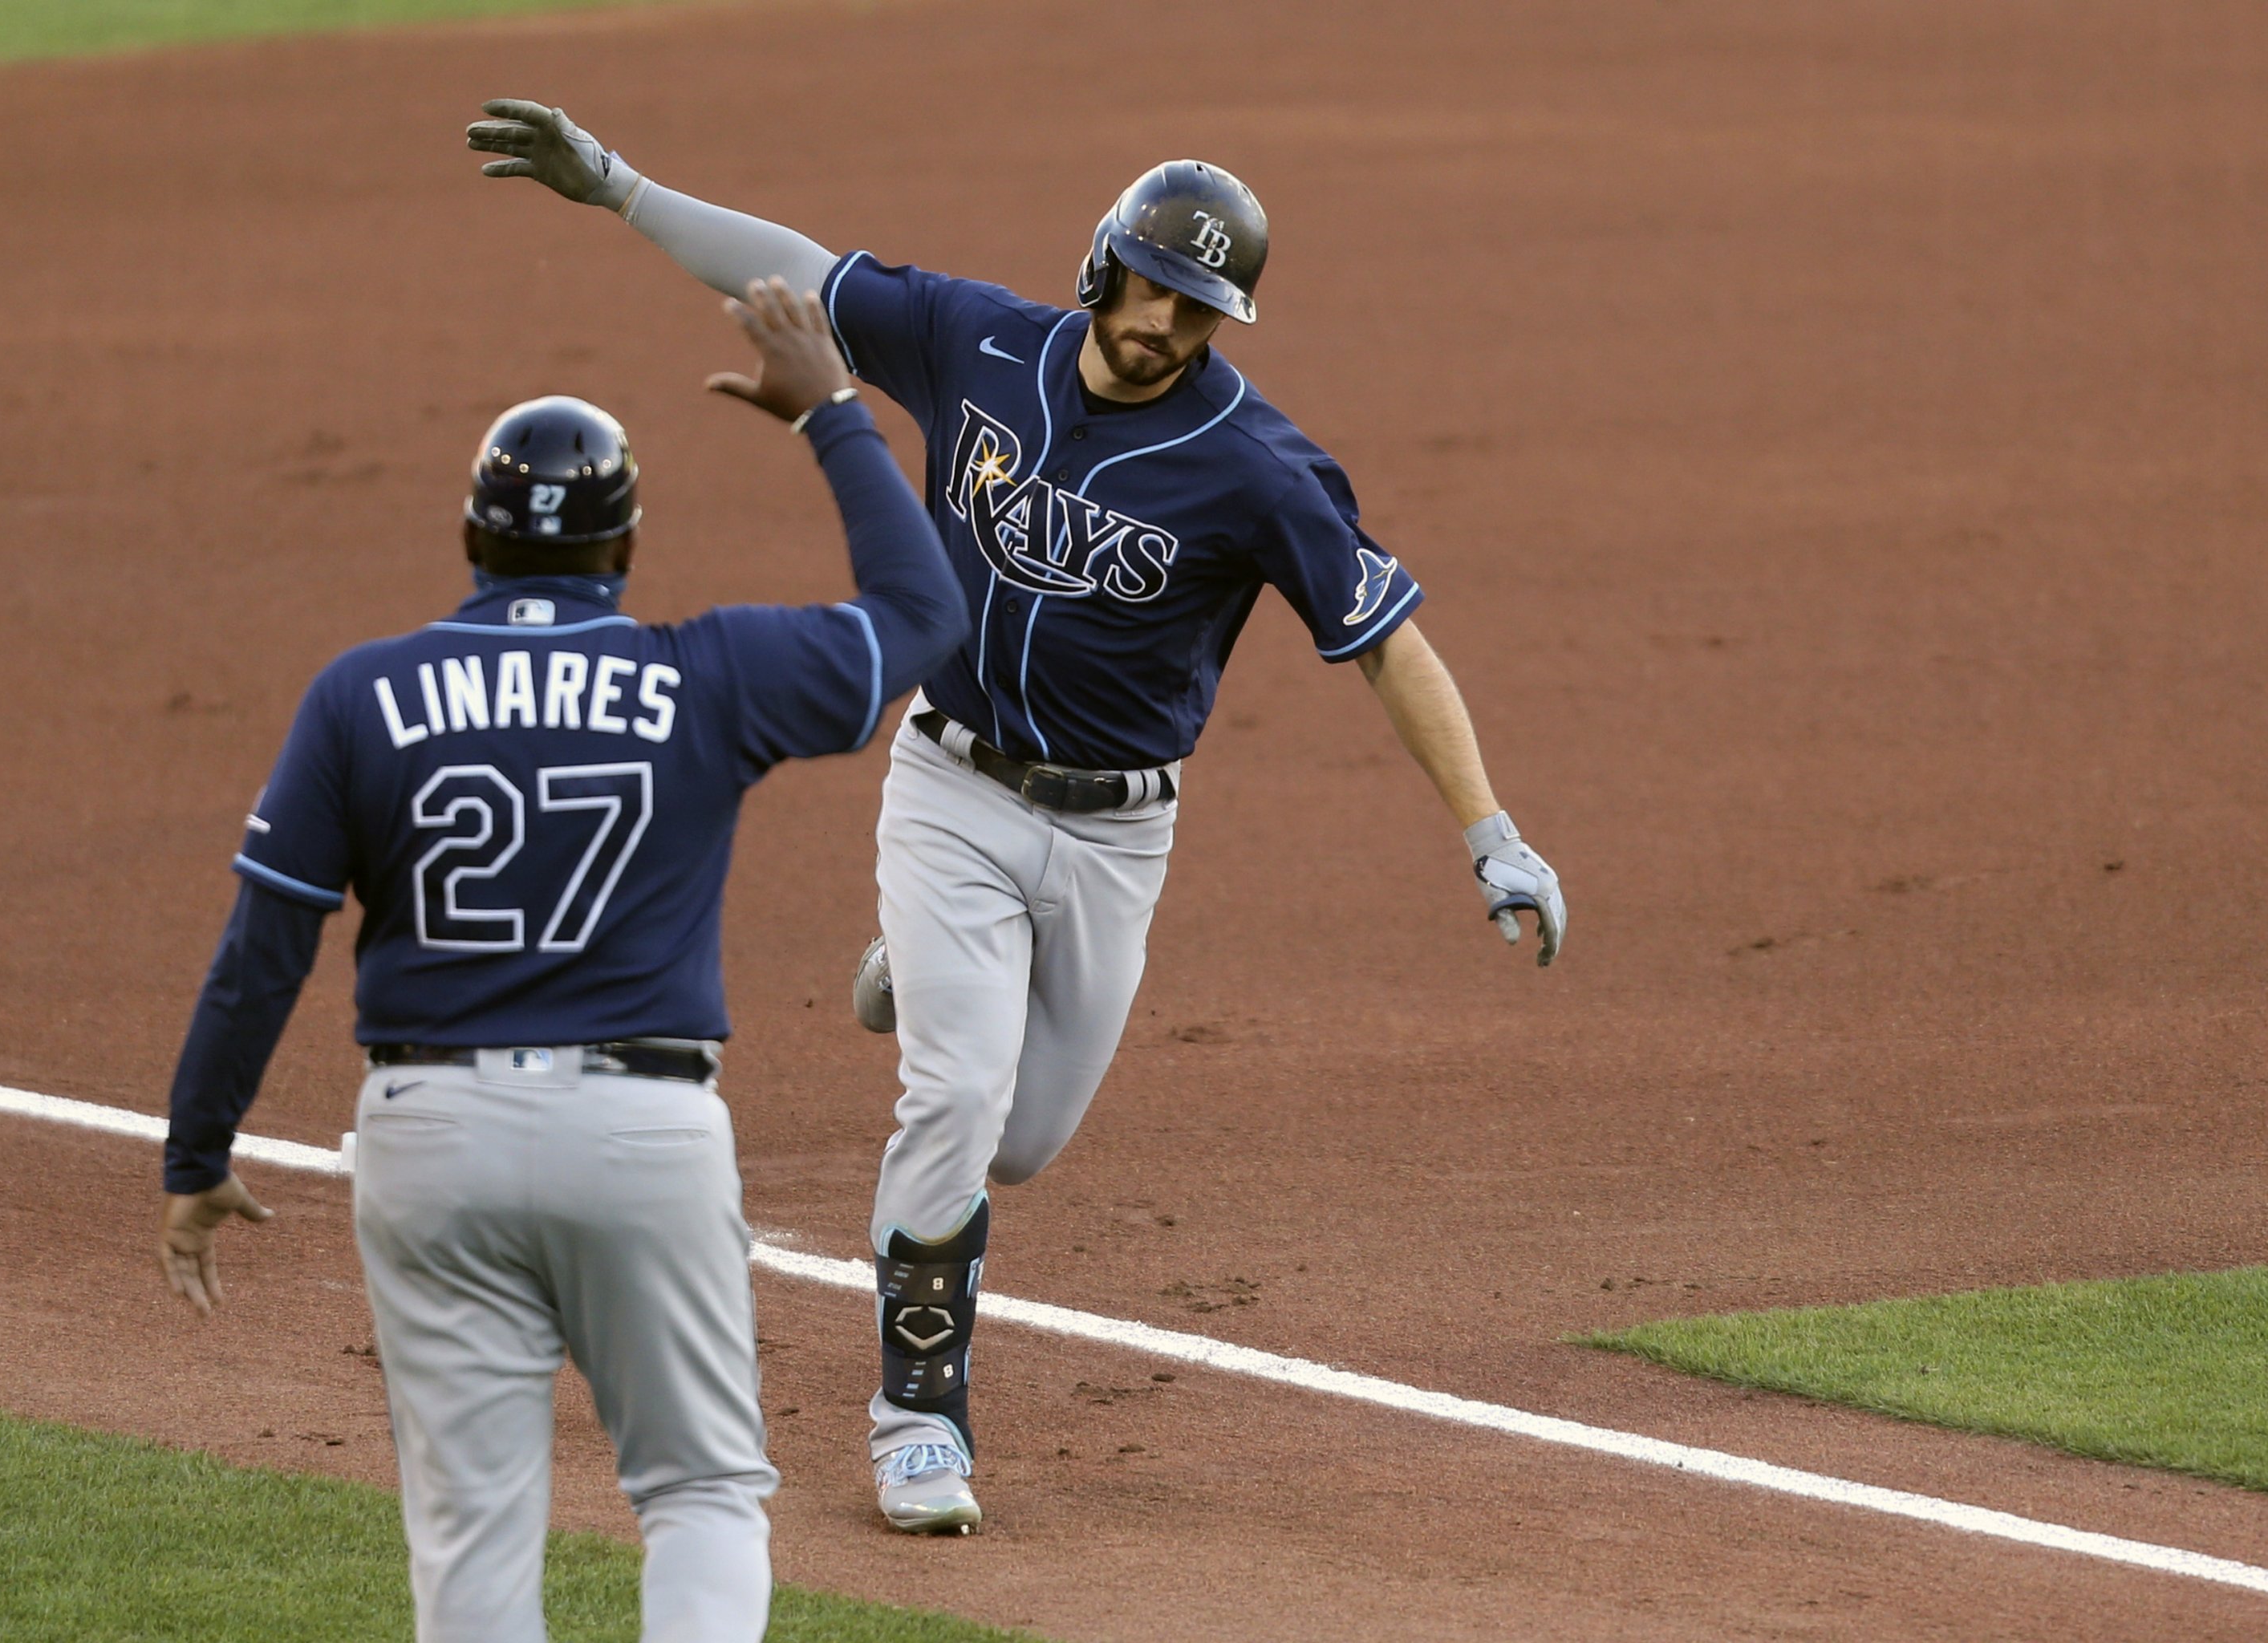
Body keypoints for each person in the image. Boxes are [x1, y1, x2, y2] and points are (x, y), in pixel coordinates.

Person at [465, 101, 1568, 1537]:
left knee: (1022, 1141)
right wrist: (615, 187)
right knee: (954, 1096)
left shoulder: (1255, 467)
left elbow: (1384, 642)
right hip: (950, 784)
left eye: (1202, 308)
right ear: (1103, 263)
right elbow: (789, 270)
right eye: (1154, 285)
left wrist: (1490, 831)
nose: (1167, 323)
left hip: (1118, 836)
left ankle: (916, 976)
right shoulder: (980, 342)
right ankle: (918, 1416)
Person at [154, 282, 968, 1640]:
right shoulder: (708, 671)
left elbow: (264, 950)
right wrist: (830, 412)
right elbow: (921, 614)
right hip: (641, 1133)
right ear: (627, 545)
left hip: (429, 1135)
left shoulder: (363, 693)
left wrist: (197, 1153)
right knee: (702, 1490)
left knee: (474, 1529)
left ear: (472, 536)